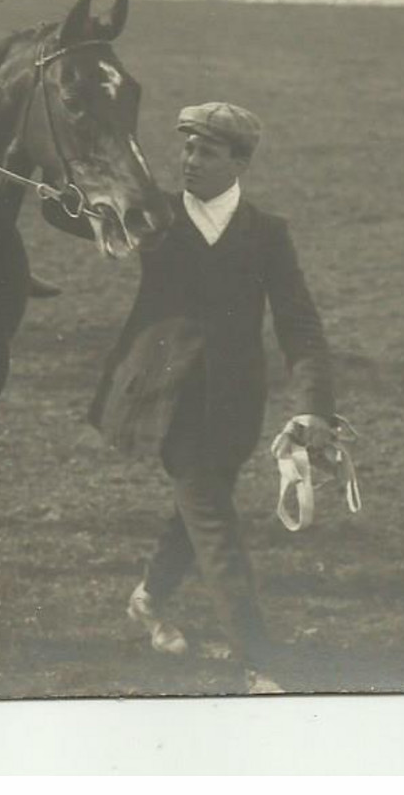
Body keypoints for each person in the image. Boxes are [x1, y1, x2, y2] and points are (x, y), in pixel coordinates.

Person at [45, 102, 336, 692]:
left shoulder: (267, 234)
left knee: (199, 506)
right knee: (213, 521)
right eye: (187, 148)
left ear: (240, 161)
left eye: (207, 150)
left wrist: (310, 406)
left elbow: (299, 325)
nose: (190, 160)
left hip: (237, 407)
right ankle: (259, 663)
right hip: (164, 400)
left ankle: (149, 598)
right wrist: (66, 175)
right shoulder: (153, 216)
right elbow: (66, 213)